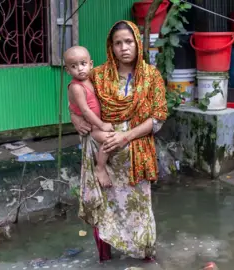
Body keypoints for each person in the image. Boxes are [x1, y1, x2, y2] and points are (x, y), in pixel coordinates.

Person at [70, 20, 167, 262]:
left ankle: (145, 259)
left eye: (128, 42)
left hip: (135, 154)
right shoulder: (97, 75)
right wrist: (74, 119)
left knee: (139, 210)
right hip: (102, 153)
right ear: (110, 47)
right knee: (104, 207)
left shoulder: (151, 76)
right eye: (117, 43)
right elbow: (77, 95)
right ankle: (105, 259)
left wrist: (126, 136)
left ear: (137, 43)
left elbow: (158, 117)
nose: (124, 48)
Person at [64, 46, 114, 188]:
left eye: (83, 64)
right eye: (74, 66)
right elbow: (85, 111)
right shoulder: (76, 87)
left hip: (97, 123)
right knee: (109, 140)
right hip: (92, 127)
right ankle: (100, 167)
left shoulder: (92, 79)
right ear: (68, 70)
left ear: (91, 64)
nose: (80, 69)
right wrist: (102, 125)